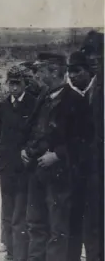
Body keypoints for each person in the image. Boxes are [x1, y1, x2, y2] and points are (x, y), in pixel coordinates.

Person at [21, 52, 70, 261]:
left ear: (55, 71)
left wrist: (58, 155)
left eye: (40, 71)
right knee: (35, 224)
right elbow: (33, 128)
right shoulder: (42, 97)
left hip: (58, 174)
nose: (37, 76)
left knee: (57, 228)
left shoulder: (73, 99)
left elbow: (84, 138)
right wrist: (25, 149)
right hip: (36, 171)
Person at [0, 65, 37, 261]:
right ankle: (11, 253)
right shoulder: (2, 107)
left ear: (24, 84)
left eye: (17, 84)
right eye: (10, 83)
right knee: (8, 211)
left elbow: (35, 135)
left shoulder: (33, 105)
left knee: (21, 213)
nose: (13, 88)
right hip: (6, 167)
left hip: (24, 167)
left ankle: (21, 255)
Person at [62, 51, 97, 261]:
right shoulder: (77, 97)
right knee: (73, 223)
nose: (73, 76)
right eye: (70, 72)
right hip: (78, 171)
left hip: (95, 173)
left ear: (89, 71)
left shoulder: (97, 95)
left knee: (93, 226)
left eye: (77, 71)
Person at [80, 30, 104, 261]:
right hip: (92, 165)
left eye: (99, 53)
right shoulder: (92, 86)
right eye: (89, 54)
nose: (94, 59)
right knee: (93, 220)